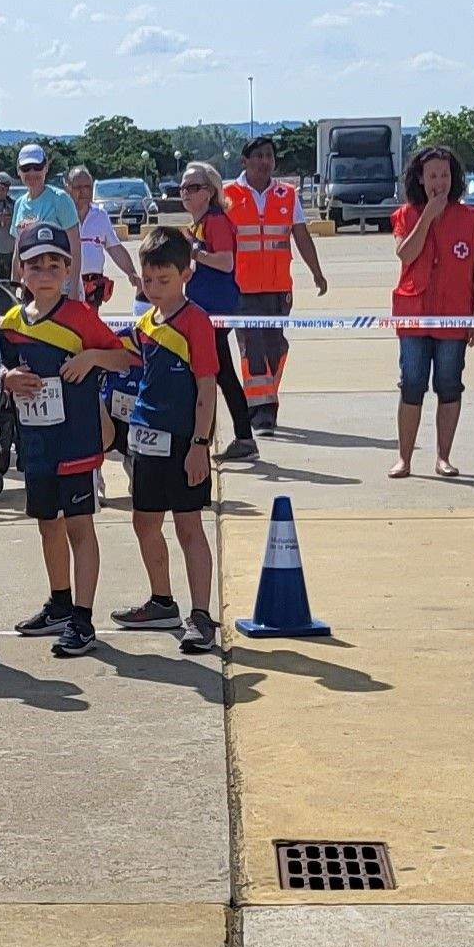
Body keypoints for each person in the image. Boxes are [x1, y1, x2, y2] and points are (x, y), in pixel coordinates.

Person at [0, 225, 130, 657]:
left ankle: (83, 618)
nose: (44, 272)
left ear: (68, 270)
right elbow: (3, 369)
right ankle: (60, 602)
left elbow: (125, 356)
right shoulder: (11, 323)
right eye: (35, 265)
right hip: (36, 442)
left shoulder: (82, 317)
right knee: (47, 523)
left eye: (54, 264)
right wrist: (8, 378)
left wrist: (92, 357)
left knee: (79, 525)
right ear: (22, 273)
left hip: (77, 439)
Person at [108, 228, 221, 654]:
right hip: (144, 438)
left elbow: (206, 388)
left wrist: (199, 444)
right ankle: (161, 602)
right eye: (148, 281)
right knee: (144, 521)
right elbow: (123, 357)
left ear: (186, 275)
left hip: (182, 442)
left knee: (188, 525)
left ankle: (201, 615)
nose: (155, 289)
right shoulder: (144, 324)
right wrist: (90, 356)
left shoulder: (196, 322)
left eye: (164, 280)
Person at [387, 147, 474, 479]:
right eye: (432, 176)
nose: (439, 182)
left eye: (445, 175)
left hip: (454, 315)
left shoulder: (471, 219)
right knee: (412, 384)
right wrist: (427, 217)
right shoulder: (406, 215)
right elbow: (405, 254)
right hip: (414, 314)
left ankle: (444, 456)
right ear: (420, 178)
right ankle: (404, 458)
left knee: (449, 384)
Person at [228, 136, 329, 433]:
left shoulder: (287, 195)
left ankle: (263, 399)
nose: (264, 161)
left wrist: (317, 272)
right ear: (244, 161)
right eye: (257, 156)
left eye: (268, 156)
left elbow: (301, 236)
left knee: (276, 345)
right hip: (242, 289)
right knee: (252, 347)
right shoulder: (227, 195)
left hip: (277, 287)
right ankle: (261, 412)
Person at [179, 161, 256, 461]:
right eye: (183, 187)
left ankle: (237, 436)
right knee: (214, 372)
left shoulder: (216, 221)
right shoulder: (199, 224)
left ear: (209, 192)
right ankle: (222, 435)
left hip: (216, 308)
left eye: (193, 187)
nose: (185, 192)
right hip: (203, 306)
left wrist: (194, 250)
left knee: (216, 371)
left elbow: (226, 262)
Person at [66, 165, 138, 308]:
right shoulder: (61, 215)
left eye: (87, 186)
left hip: (93, 286)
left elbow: (115, 248)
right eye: (77, 187)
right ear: (68, 188)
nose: (83, 191)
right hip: (66, 285)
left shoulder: (100, 215)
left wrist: (132, 273)